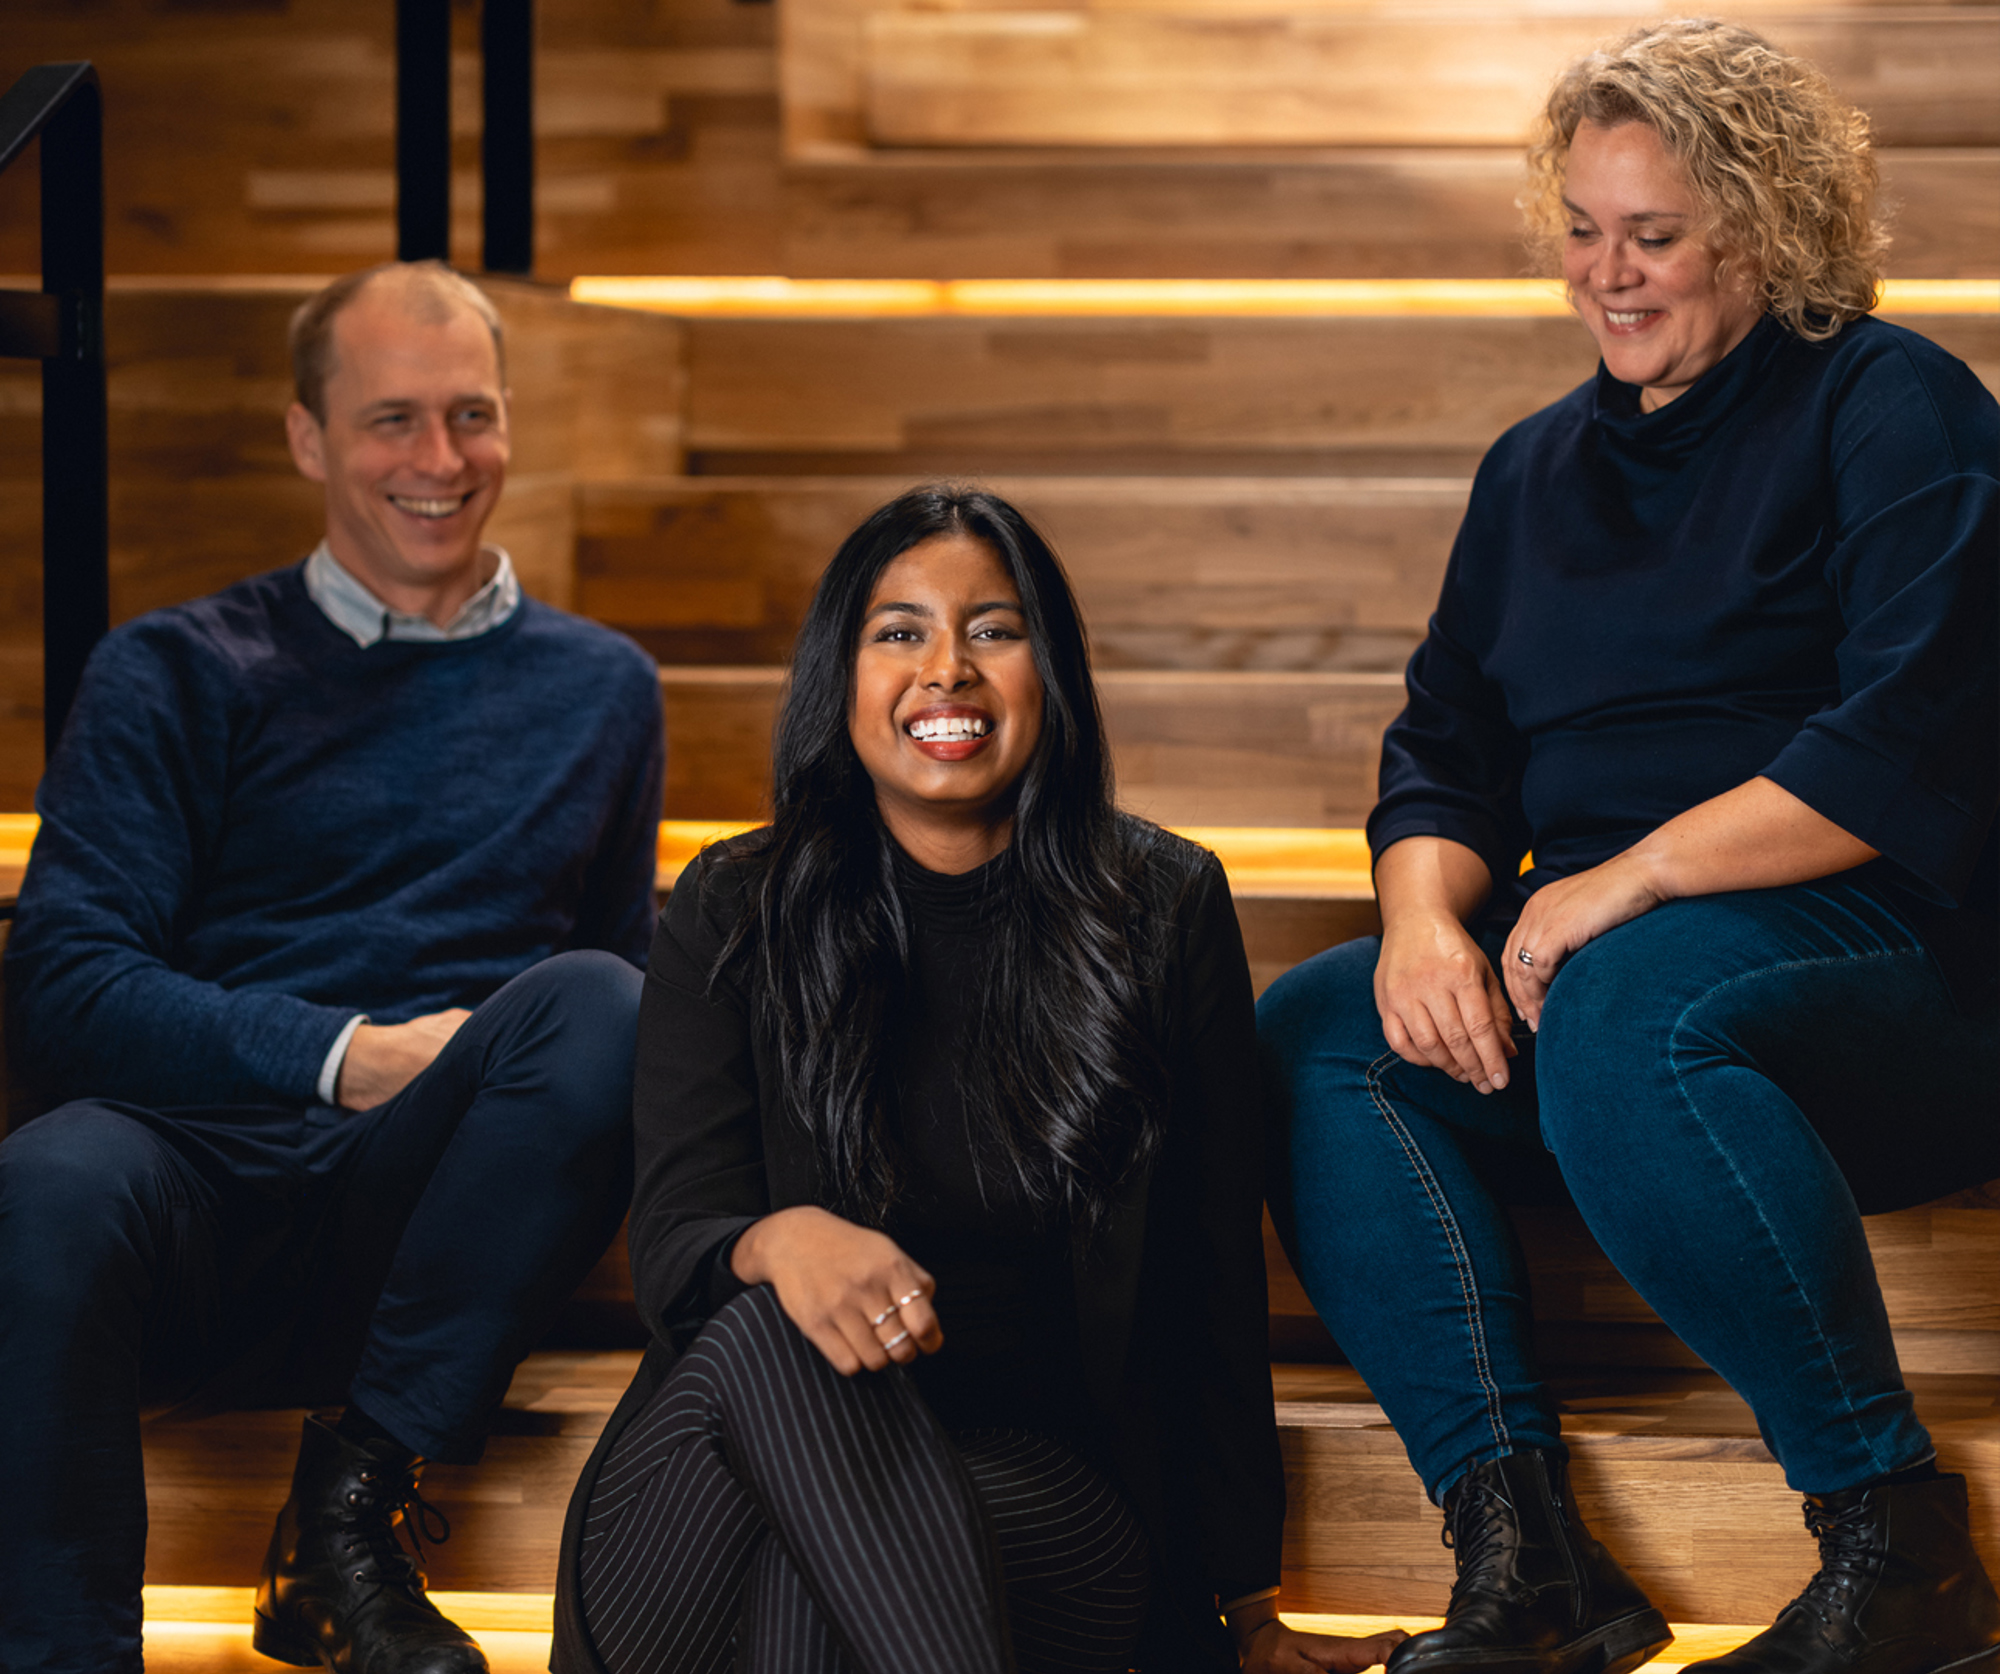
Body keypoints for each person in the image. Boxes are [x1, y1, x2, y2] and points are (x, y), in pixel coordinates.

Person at [1258, 19, 2000, 1674]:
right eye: (1585, 230)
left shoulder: (1893, 404)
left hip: (1894, 964)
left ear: (1767, 229)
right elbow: (1443, 755)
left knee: (1627, 995)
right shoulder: (1533, 471)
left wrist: (1631, 876)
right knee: (1318, 1029)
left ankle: (1899, 1547)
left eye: (1654, 235)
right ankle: (1529, 1559)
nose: (1609, 274)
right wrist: (1424, 923)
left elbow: (1905, 747)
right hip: (1614, 982)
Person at [548, 485, 1407, 1674]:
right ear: (839, 675)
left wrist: (1245, 1600)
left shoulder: (1159, 908)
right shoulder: (736, 905)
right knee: (775, 1338)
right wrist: (782, 1242)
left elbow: (1207, 1279)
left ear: (1049, 674)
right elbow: (677, 1246)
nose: (945, 669)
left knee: (817, 1571)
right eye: (898, 632)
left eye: (992, 630)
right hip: (703, 1505)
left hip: (1036, 1492)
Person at [0, 260, 665, 1674]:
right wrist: (346, 1053)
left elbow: (625, 1003)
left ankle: (342, 1523)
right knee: (52, 1173)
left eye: (471, 414)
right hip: (190, 1192)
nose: (440, 460)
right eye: (391, 420)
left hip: (431, 1222)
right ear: (308, 438)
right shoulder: (175, 668)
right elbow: (62, 981)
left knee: (607, 1002)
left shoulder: (603, 687)